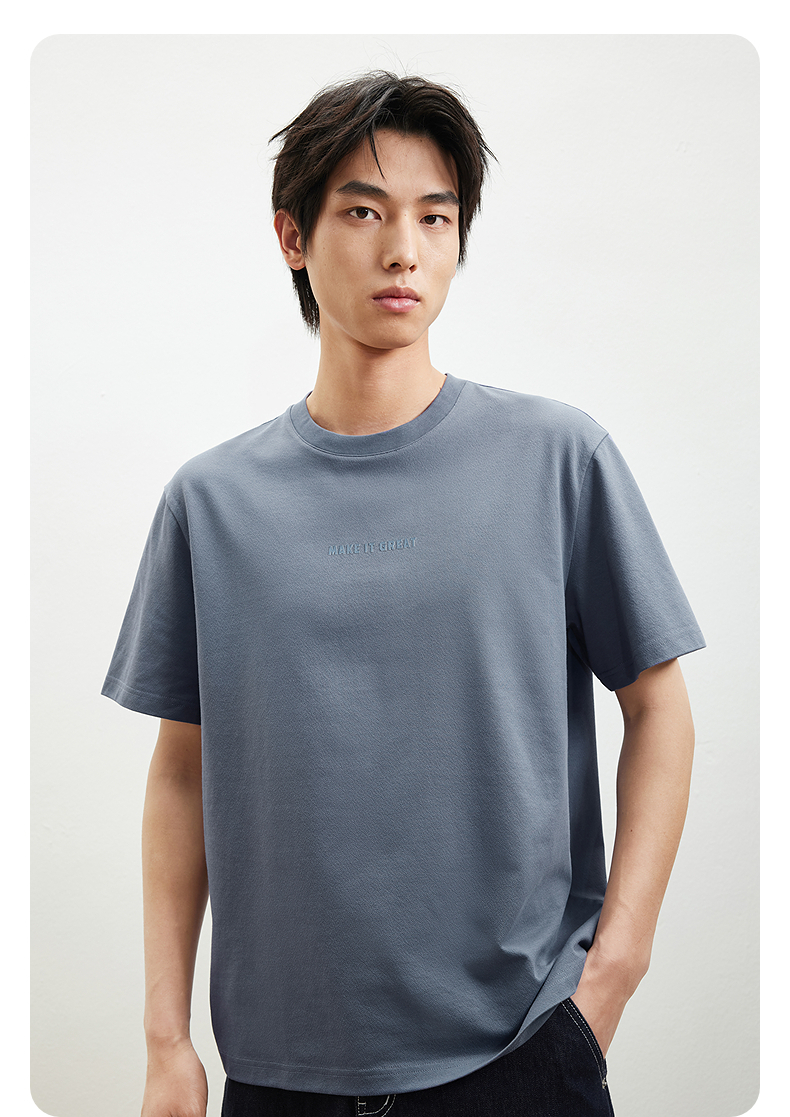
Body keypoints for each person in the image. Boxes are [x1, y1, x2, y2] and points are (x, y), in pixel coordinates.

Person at [102, 72, 705, 1117]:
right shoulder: (212, 501)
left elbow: (659, 705)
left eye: (435, 217)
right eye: (364, 212)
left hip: (520, 1054)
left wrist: (610, 978)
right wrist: (166, 1041)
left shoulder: (557, 458)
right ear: (293, 237)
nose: (404, 250)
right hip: (280, 1072)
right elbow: (182, 772)